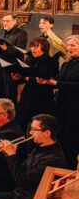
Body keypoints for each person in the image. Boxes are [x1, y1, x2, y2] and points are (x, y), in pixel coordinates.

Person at [38, 34, 79, 168]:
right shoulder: (66, 64)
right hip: (61, 105)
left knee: (71, 139)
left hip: (75, 108)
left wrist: (58, 83)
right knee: (60, 137)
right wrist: (47, 81)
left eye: (73, 45)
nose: (69, 48)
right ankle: (60, 167)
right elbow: (58, 80)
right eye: (68, 45)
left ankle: (69, 169)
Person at [12, 37, 58, 132]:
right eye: (32, 46)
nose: (33, 49)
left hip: (42, 97)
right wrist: (17, 79)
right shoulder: (29, 59)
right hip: (27, 95)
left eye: (36, 46)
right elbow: (24, 77)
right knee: (21, 122)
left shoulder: (51, 61)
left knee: (39, 125)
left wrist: (30, 78)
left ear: (44, 48)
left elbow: (50, 78)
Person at [0, 13, 27, 102]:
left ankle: (12, 111)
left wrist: (6, 49)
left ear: (14, 21)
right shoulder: (1, 32)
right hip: (0, 68)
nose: (5, 23)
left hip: (12, 69)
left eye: (7, 21)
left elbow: (20, 50)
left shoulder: (21, 33)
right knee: (0, 95)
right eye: (3, 21)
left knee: (10, 96)